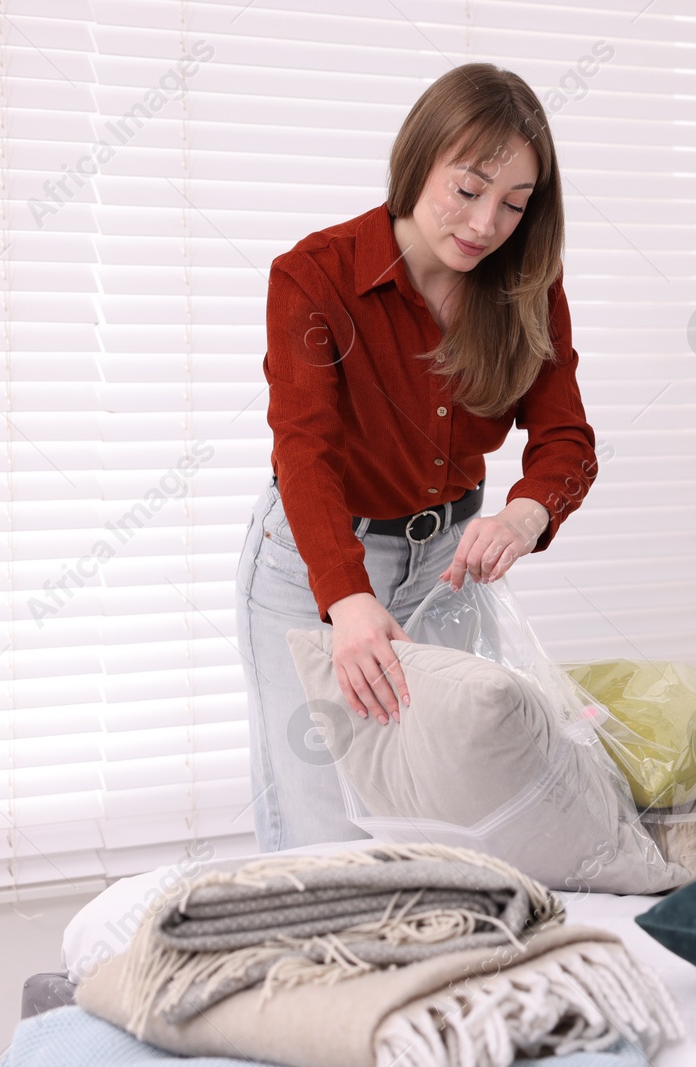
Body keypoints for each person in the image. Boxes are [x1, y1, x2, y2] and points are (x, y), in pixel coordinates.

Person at [235, 62, 601, 851]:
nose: (485, 224)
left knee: (452, 806)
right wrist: (347, 598)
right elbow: (305, 454)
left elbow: (567, 438)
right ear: (419, 160)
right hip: (316, 564)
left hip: (447, 566)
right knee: (322, 824)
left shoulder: (529, 284)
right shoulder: (313, 277)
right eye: (466, 190)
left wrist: (527, 509)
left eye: (513, 203)